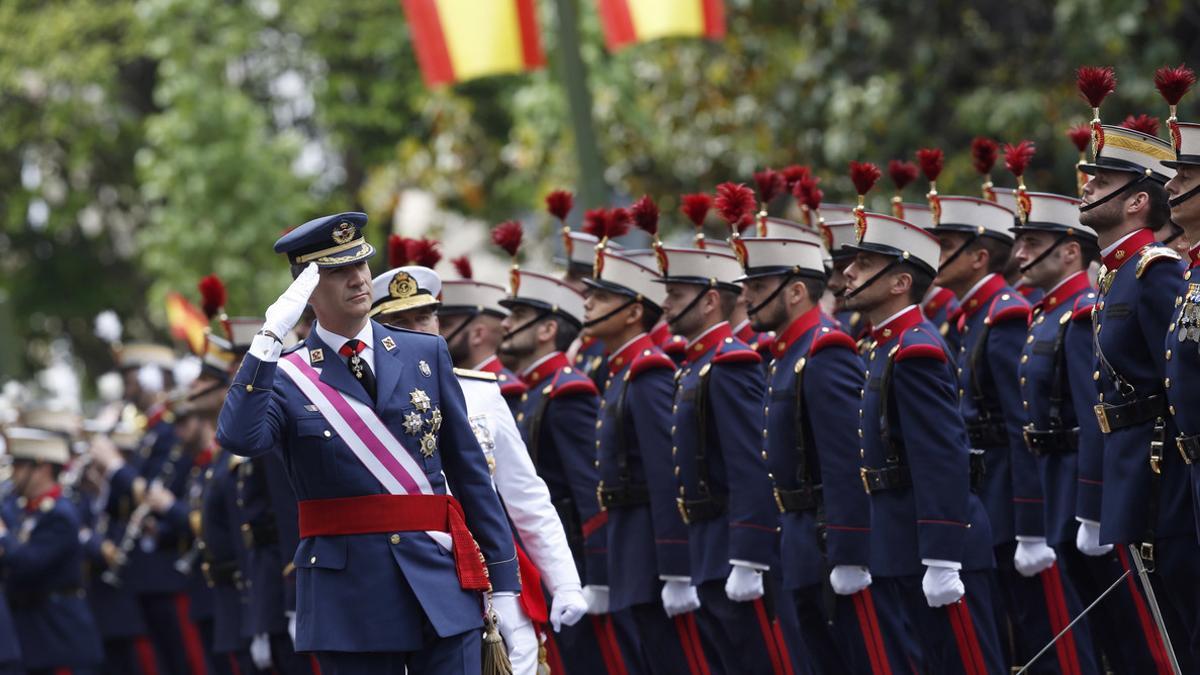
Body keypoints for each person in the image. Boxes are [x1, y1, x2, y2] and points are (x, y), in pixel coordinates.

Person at [216, 212, 520, 674]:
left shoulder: (424, 351)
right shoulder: (285, 376)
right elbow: (239, 437)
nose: (359, 279)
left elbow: (469, 471)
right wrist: (268, 339)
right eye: (339, 270)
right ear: (306, 289)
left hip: (440, 578)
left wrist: (503, 581)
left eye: (361, 263)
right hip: (348, 598)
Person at [369, 261, 589, 674]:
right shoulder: (363, 402)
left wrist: (564, 582)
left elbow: (526, 496)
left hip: (494, 577)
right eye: (399, 322)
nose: (416, 329)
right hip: (407, 581)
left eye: (424, 317)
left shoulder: (482, 393)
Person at [927, 193, 1094, 671]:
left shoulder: (1004, 317)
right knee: (1028, 638)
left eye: (947, 245)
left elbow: (1023, 426)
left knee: (1056, 643)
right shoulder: (979, 316)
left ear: (979, 255)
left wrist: (1031, 525)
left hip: (1024, 500)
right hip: (996, 498)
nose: (1020, 254)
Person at [1013, 190, 1170, 672]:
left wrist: (1092, 505)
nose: (1017, 253)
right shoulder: (1053, 314)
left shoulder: (1081, 312)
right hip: (1060, 485)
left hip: (1099, 485)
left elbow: (1093, 412)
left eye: (1031, 242)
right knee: (1109, 637)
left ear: (1068, 250)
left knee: (1138, 633)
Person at [843, 209, 1004, 673]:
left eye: (865, 264)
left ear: (900, 283)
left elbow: (941, 457)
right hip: (900, 544)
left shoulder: (915, 350)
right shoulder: (886, 346)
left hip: (933, 547)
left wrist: (941, 555)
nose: (849, 273)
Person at [737, 235, 894, 673]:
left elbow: (847, 460)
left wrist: (849, 553)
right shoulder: (785, 356)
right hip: (802, 544)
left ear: (795, 291)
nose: (745, 295)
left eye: (757, 283)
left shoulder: (825, 352)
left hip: (830, 544)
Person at [1080, 118, 1200, 667]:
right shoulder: (1117, 275)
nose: (1085, 187)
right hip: (1137, 475)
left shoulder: (1155, 272)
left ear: (1136, 203)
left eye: (1102, 182)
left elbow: (1176, 385)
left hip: (1165, 473)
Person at [490, 225, 625, 675]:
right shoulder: (534, 392)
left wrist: (596, 577)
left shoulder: (566, 393)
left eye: (518, 315)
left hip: (576, 563)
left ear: (549, 328)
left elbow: (591, 494)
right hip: (550, 561)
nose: (504, 325)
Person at [652, 243, 788, 674]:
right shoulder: (696, 366)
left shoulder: (730, 364)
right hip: (707, 547)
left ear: (710, 300)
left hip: (733, 548)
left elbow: (751, 464)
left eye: (676, 294)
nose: (666, 304)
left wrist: (749, 557)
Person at [582, 241, 715, 674]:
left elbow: (666, 473)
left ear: (634, 312)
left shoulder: (648, 372)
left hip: (652, 556)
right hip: (629, 550)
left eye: (600, 297)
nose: (587, 303)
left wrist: (675, 567)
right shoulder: (622, 371)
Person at [1, 425, 105, 674]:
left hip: (58, 632)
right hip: (37, 630)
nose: (12, 473)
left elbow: (28, 564)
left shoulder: (60, 514)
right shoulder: (27, 509)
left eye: (19, 466)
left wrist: (3, 536)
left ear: (43, 468)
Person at [438, 258, 528, 412]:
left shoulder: (505, 392)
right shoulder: (453, 384)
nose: (436, 332)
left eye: (444, 325)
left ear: (478, 334)